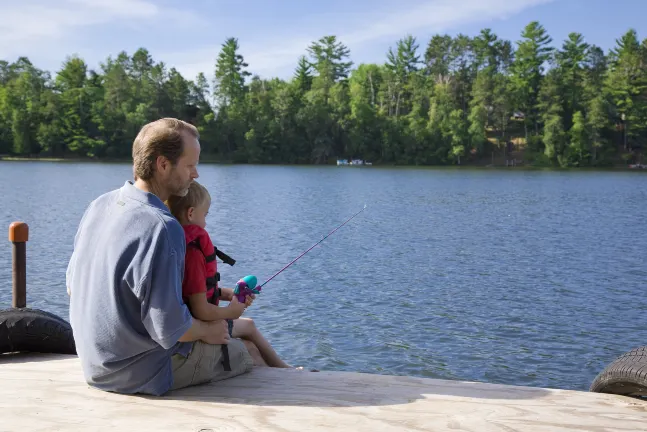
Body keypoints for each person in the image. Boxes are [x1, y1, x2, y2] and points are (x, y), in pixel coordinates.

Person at [65, 117, 253, 396]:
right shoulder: (163, 227)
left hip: (95, 365)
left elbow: (72, 287)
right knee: (246, 352)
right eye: (190, 165)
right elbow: (170, 329)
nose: (196, 174)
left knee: (233, 338)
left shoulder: (100, 204)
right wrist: (205, 331)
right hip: (140, 373)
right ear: (163, 165)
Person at [166, 181, 292, 368]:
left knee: (249, 332)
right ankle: (285, 371)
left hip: (196, 321)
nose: (206, 222)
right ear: (191, 213)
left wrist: (227, 294)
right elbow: (201, 309)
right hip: (198, 325)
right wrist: (231, 311)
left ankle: (283, 369)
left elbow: (194, 291)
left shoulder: (181, 244)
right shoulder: (193, 254)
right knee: (249, 334)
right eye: (205, 215)